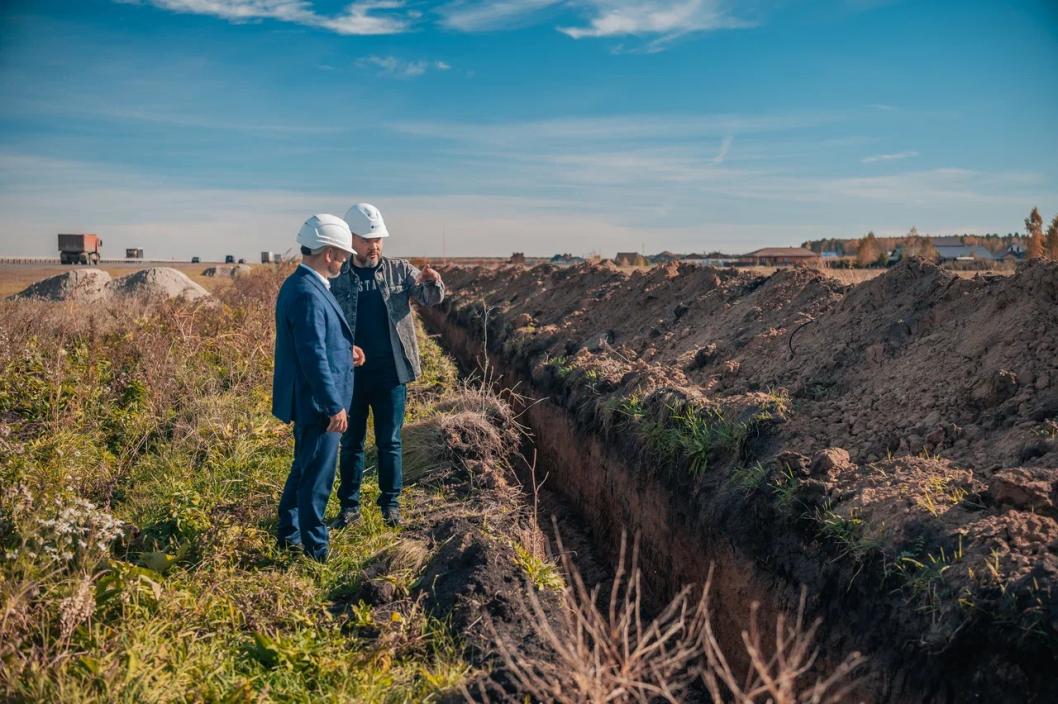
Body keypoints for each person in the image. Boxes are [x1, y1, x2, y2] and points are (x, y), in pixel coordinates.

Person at [330, 202, 445, 528]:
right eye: (367, 239)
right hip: (350, 375)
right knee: (350, 442)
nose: (375, 245)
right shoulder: (337, 276)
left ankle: (390, 504)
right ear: (351, 239)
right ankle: (349, 508)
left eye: (378, 238)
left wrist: (432, 282)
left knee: (389, 441)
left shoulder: (399, 270)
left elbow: (429, 298)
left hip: (391, 372)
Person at [272, 214, 364, 562]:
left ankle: (289, 535)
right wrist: (333, 405)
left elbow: (315, 343)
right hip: (317, 403)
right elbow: (311, 356)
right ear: (328, 253)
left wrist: (345, 350)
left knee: (304, 467)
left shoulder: (302, 285)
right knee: (317, 478)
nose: (344, 260)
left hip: (311, 399)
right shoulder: (309, 293)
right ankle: (315, 550)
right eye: (342, 254)